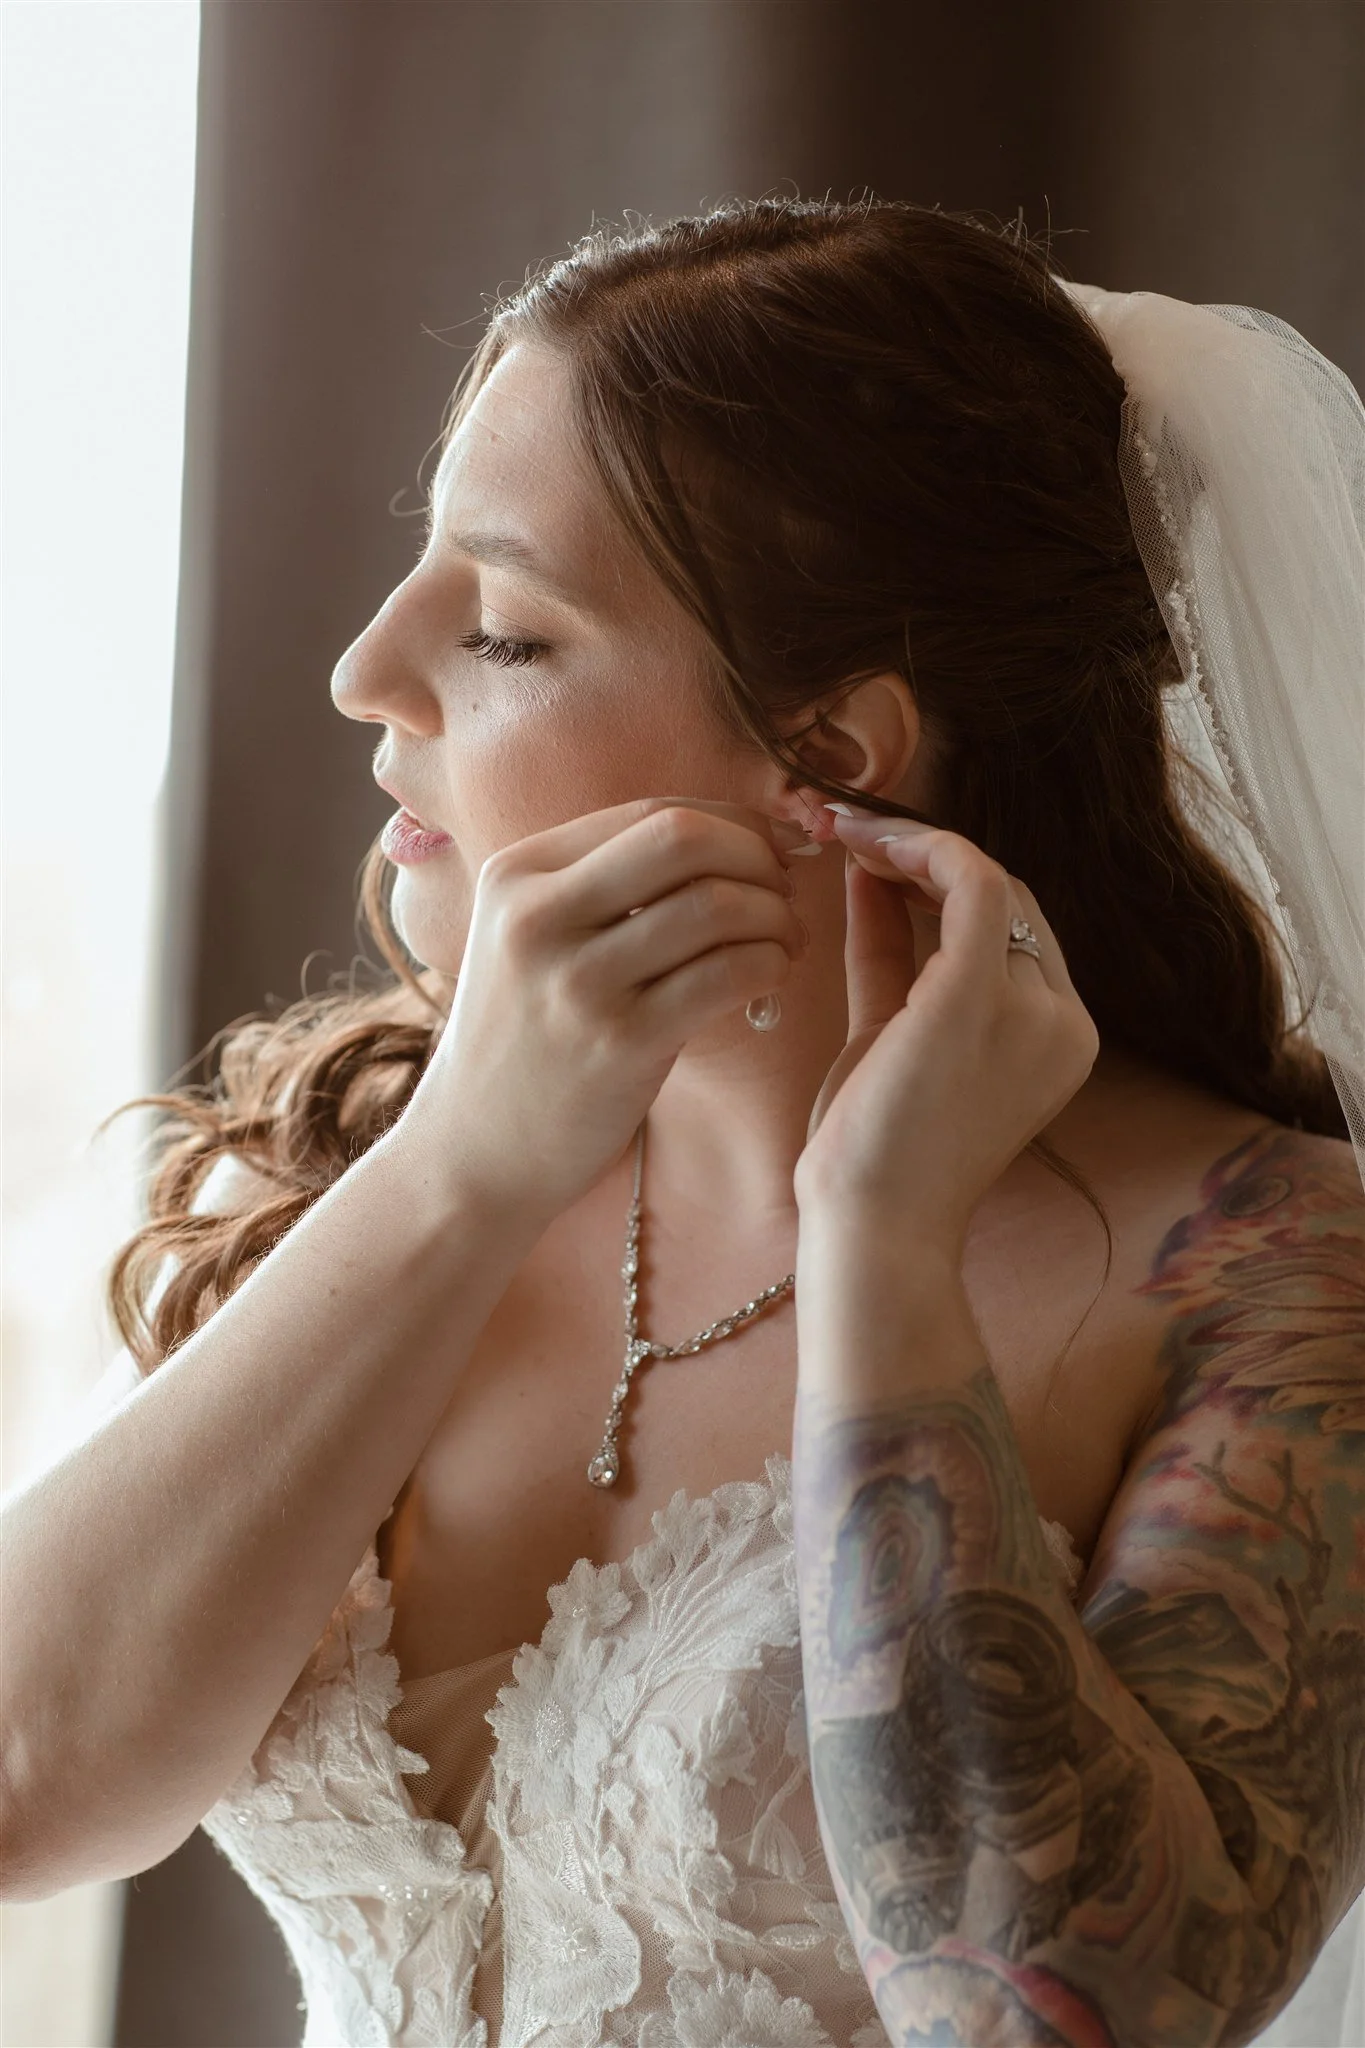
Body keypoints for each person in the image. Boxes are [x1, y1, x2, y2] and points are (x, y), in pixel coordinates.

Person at [2, 197, 1361, 2047]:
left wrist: (883, 1250)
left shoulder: (1278, 1273)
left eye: (501, 629)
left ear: (832, 754)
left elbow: (1045, 2013)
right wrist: (463, 1167)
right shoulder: (355, 1161)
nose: (366, 672)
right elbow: (21, 1787)